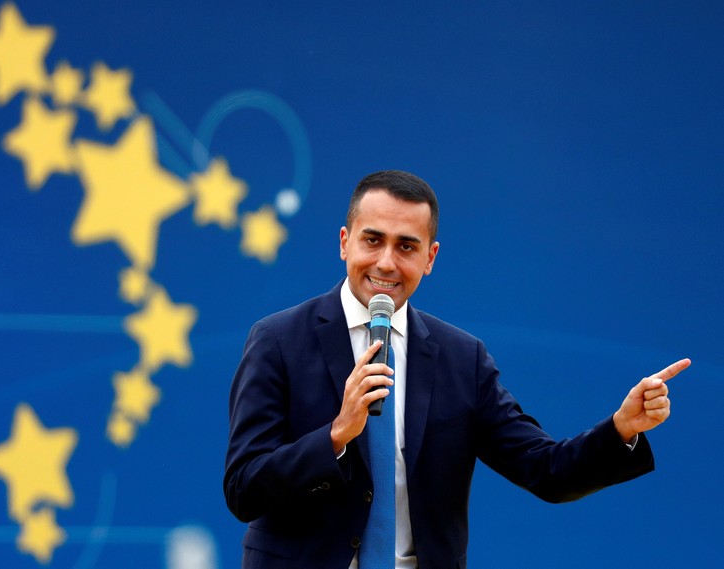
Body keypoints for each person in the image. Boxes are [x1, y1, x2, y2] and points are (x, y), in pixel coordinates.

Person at [223, 170, 690, 569]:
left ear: (430, 258)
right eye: (372, 240)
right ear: (345, 243)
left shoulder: (461, 359)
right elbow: (244, 488)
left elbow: (547, 471)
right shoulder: (278, 340)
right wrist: (335, 437)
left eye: (406, 246)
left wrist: (621, 429)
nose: (386, 261)